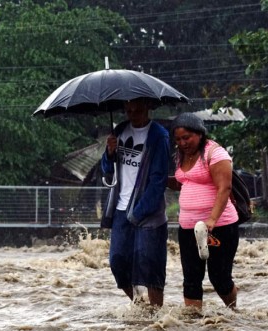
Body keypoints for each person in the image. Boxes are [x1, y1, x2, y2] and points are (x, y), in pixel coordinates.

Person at [100, 98, 170, 307]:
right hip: (121, 208)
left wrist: (139, 212)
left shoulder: (159, 136)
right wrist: (109, 153)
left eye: (138, 110)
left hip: (148, 212)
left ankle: (157, 316)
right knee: (118, 262)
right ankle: (140, 307)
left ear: (148, 107)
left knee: (150, 265)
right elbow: (107, 169)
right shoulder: (120, 130)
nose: (133, 114)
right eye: (129, 111)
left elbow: (158, 180)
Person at [167, 112, 238, 309]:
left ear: (199, 133)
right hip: (188, 227)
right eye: (178, 139)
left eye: (187, 137)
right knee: (191, 279)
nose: (182, 143)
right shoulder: (180, 156)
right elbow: (184, 183)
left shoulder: (215, 153)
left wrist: (212, 220)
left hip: (219, 226)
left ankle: (233, 311)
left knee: (219, 278)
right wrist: (158, 179)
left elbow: (225, 188)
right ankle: (193, 329)